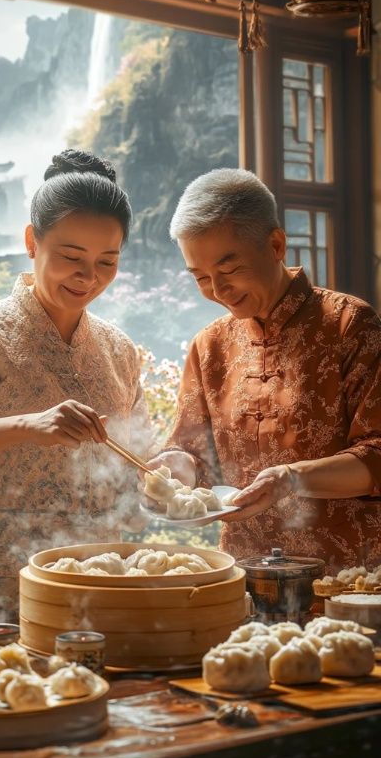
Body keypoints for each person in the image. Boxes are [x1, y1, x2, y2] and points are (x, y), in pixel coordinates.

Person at [0, 149, 152, 617]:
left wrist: (174, 475)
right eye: (71, 256)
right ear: (32, 241)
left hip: (100, 581)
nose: (88, 277)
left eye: (107, 262)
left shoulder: (120, 350)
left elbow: (141, 463)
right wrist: (30, 424)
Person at [148, 168, 381, 572]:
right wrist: (171, 471)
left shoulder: (349, 324)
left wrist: (290, 478)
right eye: (201, 277)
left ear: (275, 244)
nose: (217, 292)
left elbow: (377, 455)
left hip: (345, 573)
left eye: (229, 269)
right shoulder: (210, 346)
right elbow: (191, 455)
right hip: (241, 572)